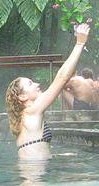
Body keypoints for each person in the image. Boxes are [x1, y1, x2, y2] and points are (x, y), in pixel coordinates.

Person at [6, 20, 91, 160]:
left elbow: (35, 147)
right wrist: (80, 43)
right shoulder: (31, 112)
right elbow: (62, 78)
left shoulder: (26, 116)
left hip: (34, 170)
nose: (37, 84)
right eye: (30, 83)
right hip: (34, 175)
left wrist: (57, 155)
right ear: (22, 97)